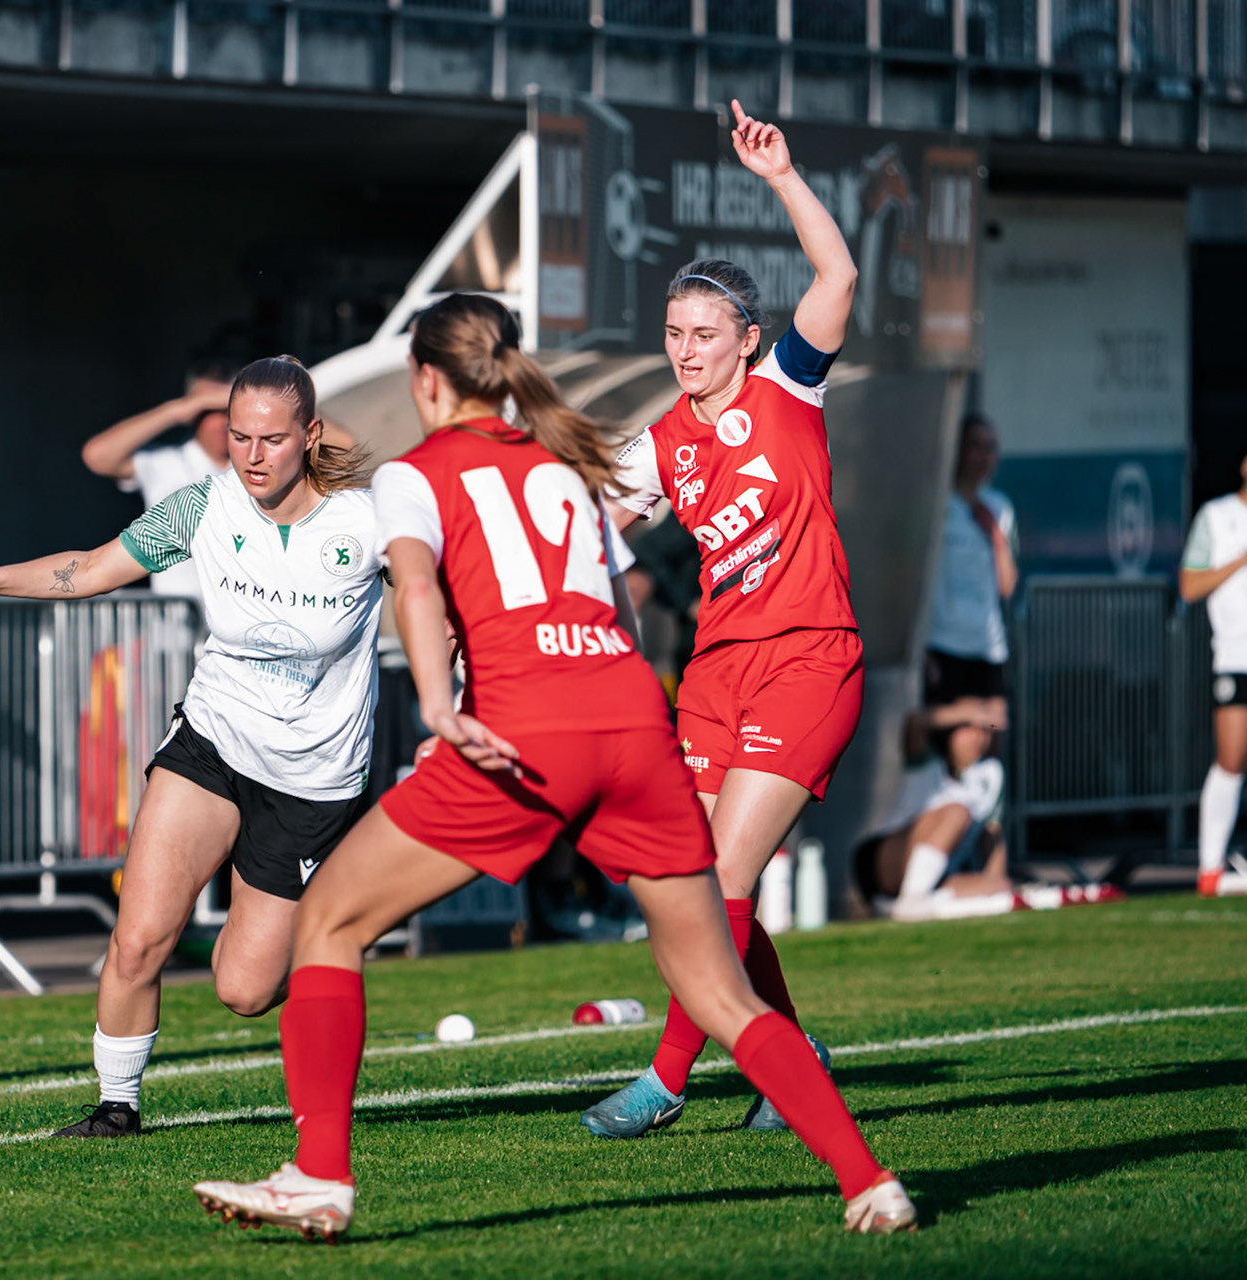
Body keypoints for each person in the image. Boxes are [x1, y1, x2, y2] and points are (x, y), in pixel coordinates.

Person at [190, 293, 914, 1240]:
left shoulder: (415, 473)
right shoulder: (565, 462)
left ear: (427, 380)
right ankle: (869, 1181)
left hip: (531, 728)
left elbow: (418, 591)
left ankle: (319, 1175)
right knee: (717, 990)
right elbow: (611, 596)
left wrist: (445, 709)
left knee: (327, 920)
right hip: (630, 717)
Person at [0, 356, 384, 1137]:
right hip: (213, 741)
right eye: (238, 437)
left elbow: (443, 587)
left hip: (313, 777)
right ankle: (116, 1106)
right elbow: (92, 568)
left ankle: (327, 944)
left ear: (313, 434)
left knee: (245, 989)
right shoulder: (202, 506)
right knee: (137, 938)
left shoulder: (365, 521)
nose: (253, 456)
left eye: (272, 439)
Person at [592, 102, 862, 1137]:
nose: (687, 348)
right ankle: (788, 1052)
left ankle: (665, 1076)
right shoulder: (663, 439)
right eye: (674, 333)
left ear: (747, 338)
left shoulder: (790, 385)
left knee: (721, 877)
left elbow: (835, 280)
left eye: (706, 333)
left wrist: (783, 176)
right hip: (715, 671)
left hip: (809, 658)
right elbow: (586, 523)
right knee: (687, 878)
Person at [80, 362, 236, 597]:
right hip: (177, 625)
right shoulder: (166, 461)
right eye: (208, 411)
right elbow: (97, 456)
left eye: (230, 410)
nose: (222, 421)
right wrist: (174, 411)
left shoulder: (259, 466)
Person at [853, 698, 1014, 920]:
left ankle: (898, 907)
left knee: (1000, 885)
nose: (978, 737)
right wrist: (967, 712)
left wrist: (996, 885)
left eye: (985, 731)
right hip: (884, 860)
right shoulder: (926, 765)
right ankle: (912, 900)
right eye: (968, 727)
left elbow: (993, 835)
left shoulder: (991, 776)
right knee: (958, 812)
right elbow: (915, 722)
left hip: (940, 874)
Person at [924, 413, 1018, 774]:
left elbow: (1007, 585)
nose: (983, 456)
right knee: (954, 746)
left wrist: (995, 535)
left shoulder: (999, 508)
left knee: (992, 739)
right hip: (945, 646)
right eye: (975, 446)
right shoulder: (938, 505)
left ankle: (988, 824)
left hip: (988, 648)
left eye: (990, 448)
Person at [1181, 451, 1247, 898]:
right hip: (1235, 656)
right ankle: (1209, 869)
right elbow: (1189, 585)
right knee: (1231, 759)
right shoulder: (1217, 516)